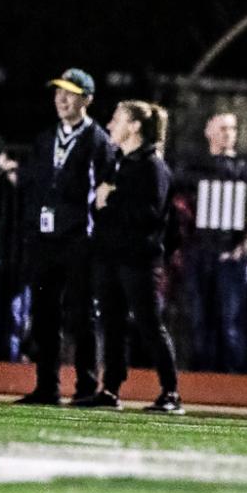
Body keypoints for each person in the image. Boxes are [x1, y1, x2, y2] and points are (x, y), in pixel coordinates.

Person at [17, 69, 118, 405]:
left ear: (86, 100)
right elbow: (33, 186)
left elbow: (105, 191)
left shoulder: (97, 140)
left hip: (78, 241)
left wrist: (93, 237)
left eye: (70, 93)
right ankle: (47, 385)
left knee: (80, 316)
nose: (61, 99)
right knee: (44, 314)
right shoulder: (46, 138)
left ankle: (86, 386)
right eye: (59, 92)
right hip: (46, 240)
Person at [81, 100, 183, 414]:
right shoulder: (119, 162)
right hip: (112, 256)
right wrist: (101, 206)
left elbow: (150, 215)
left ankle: (171, 392)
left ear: (135, 126)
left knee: (149, 324)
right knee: (111, 325)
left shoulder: (151, 165)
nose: (111, 125)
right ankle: (110, 388)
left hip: (138, 260)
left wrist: (109, 202)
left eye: (117, 119)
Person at [179, 111, 247, 371]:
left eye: (233, 128)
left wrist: (242, 249)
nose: (229, 133)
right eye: (223, 128)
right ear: (209, 131)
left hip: (230, 254)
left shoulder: (245, 169)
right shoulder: (194, 168)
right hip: (200, 252)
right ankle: (201, 379)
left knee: (230, 323)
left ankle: (231, 383)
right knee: (199, 320)